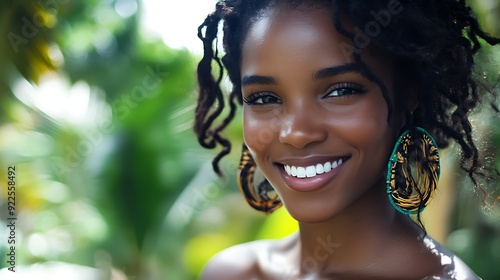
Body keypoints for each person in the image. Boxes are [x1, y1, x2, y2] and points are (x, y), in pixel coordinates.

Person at [194, 0, 499, 279]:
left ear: (408, 95)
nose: (296, 133)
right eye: (264, 98)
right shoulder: (231, 272)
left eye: (340, 91)